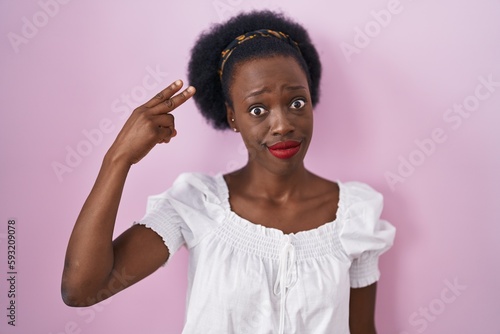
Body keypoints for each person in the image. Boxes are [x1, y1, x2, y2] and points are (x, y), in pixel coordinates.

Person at [61, 10, 395, 334]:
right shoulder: (197, 203)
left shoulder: (356, 214)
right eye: (257, 109)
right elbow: (82, 290)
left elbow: (362, 329)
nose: (282, 125)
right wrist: (118, 159)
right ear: (232, 116)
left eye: (296, 102)